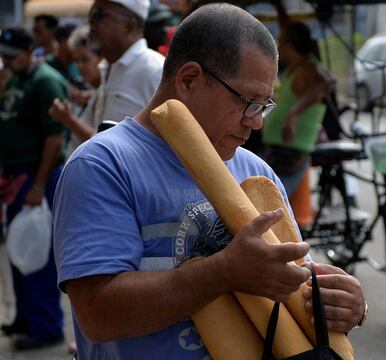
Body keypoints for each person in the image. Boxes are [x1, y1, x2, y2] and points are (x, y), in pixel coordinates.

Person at [53, 4, 366, 359]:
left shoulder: (255, 172)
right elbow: (98, 315)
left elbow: (292, 283)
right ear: (189, 79)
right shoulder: (102, 165)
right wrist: (222, 273)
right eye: (249, 102)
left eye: (265, 106)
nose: (256, 122)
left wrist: (345, 304)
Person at [0, 26, 67, 350]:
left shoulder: (45, 80)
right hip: (16, 176)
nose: (6, 60)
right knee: (18, 248)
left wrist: (38, 185)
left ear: (29, 52)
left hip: (37, 176)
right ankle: (25, 318)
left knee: (37, 254)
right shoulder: (14, 78)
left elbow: (54, 139)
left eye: (12, 56)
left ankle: (46, 326)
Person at [261, 0, 331, 195]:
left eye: (280, 42)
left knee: (270, 204)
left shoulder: (309, 70)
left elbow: (325, 83)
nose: (278, 46)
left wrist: (293, 114)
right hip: (277, 150)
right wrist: (278, 7)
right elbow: (288, 30)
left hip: (289, 154)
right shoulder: (297, 67)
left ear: (289, 46)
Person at [89, 0, 164, 123]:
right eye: (91, 15)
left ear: (128, 26)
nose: (91, 22)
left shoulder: (155, 70)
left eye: (99, 14)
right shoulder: (108, 66)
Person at [49, 25, 103, 157]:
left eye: (85, 59)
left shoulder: (109, 91)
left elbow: (101, 142)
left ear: (102, 58)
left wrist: (69, 119)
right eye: (76, 60)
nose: (79, 66)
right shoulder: (96, 91)